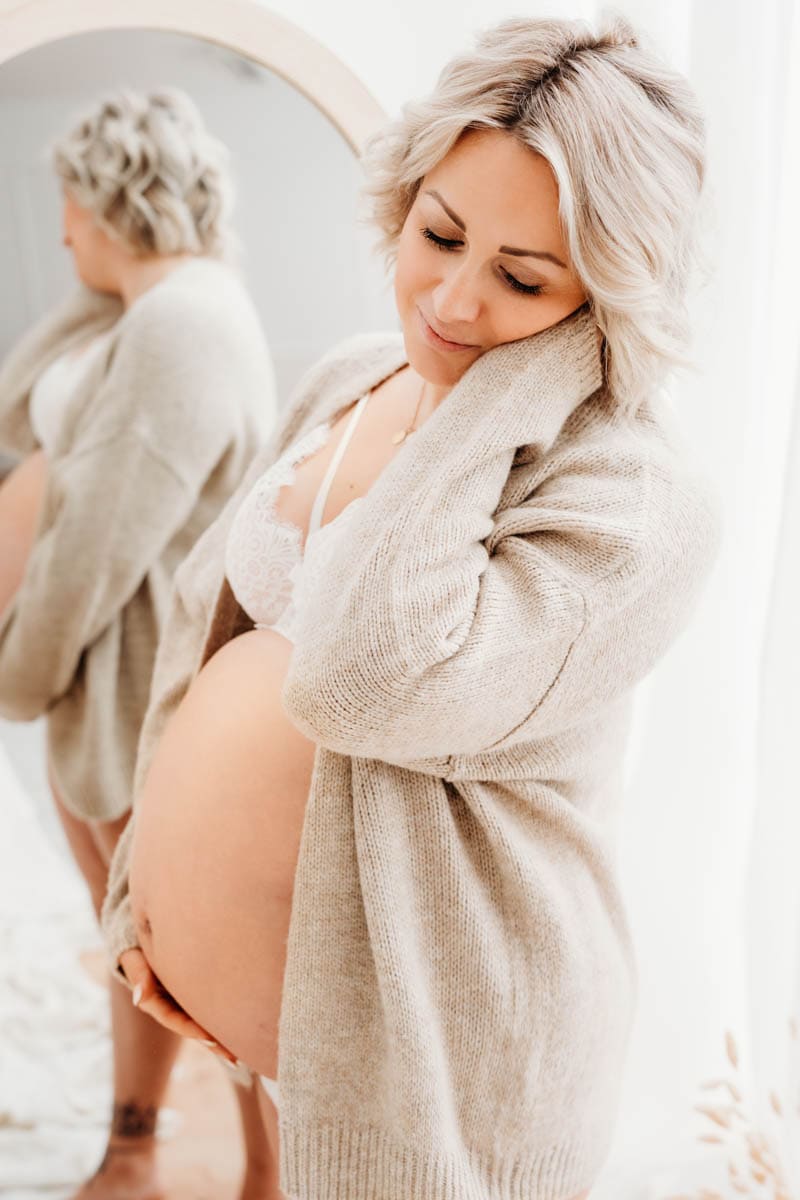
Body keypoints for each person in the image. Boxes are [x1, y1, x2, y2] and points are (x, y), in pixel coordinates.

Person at [101, 16, 722, 1200]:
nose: (449, 297)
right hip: (302, 1039)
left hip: (447, 1066)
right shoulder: (356, 373)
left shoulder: (636, 496)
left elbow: (366, 681)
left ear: (607, 293)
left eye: (524, 276)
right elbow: (211, 634)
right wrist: (151, 888)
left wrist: (523, 378)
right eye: (438, 232)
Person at [0, 88, 279, 1199]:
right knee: (137, 940)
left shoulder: (184, 324)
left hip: (126, 686)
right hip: (97, 689)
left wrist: (14, 675)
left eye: (70, 201)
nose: (61, 228)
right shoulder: (145, 310)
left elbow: (99, 545)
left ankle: (248, 1172)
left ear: (109, 198)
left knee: (189, 947)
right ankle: (132, 1149)